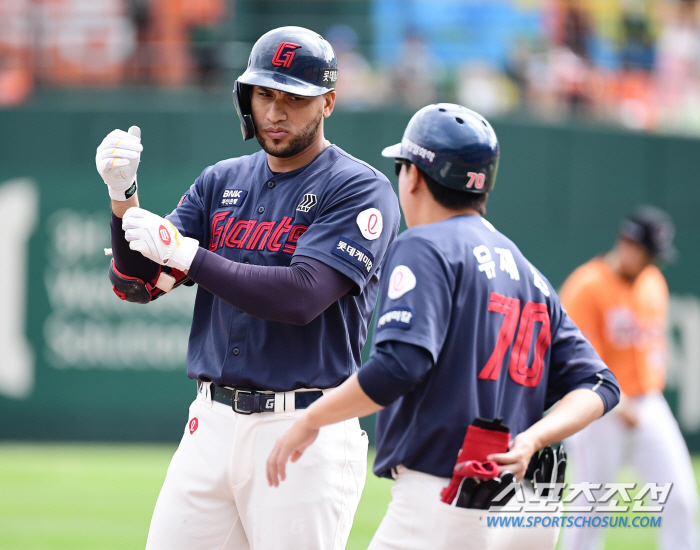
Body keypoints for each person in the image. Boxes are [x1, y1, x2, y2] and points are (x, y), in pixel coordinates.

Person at [94, 26, 400, 550]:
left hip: (303, 428)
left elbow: (302, 296)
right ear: (246, 97)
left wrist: (188, 253)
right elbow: (137, 284)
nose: (276, 112)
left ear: (327, 101)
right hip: (209, 423)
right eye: (265, 94)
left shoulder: (359, 186)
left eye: (293, 97)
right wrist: (123, 196)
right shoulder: (221, 180)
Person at [266, 103, 620, 550]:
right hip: (534, 502)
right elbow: (601, 384)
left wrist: (311, 418)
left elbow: (401, 364)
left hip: (452, 493)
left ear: (413, 175)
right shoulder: (528, 273)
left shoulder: (425, 246)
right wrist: (533, 438)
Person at [559, 206, 698, 550]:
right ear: (628, 243)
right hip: (597, 409)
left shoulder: (654, 282)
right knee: (589, 515)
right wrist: (618, 405)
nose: (653, 262)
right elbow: (577, 363)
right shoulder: (586, 286)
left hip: (648, 404)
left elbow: (652, 350)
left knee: (680, 501)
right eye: (649, 253)